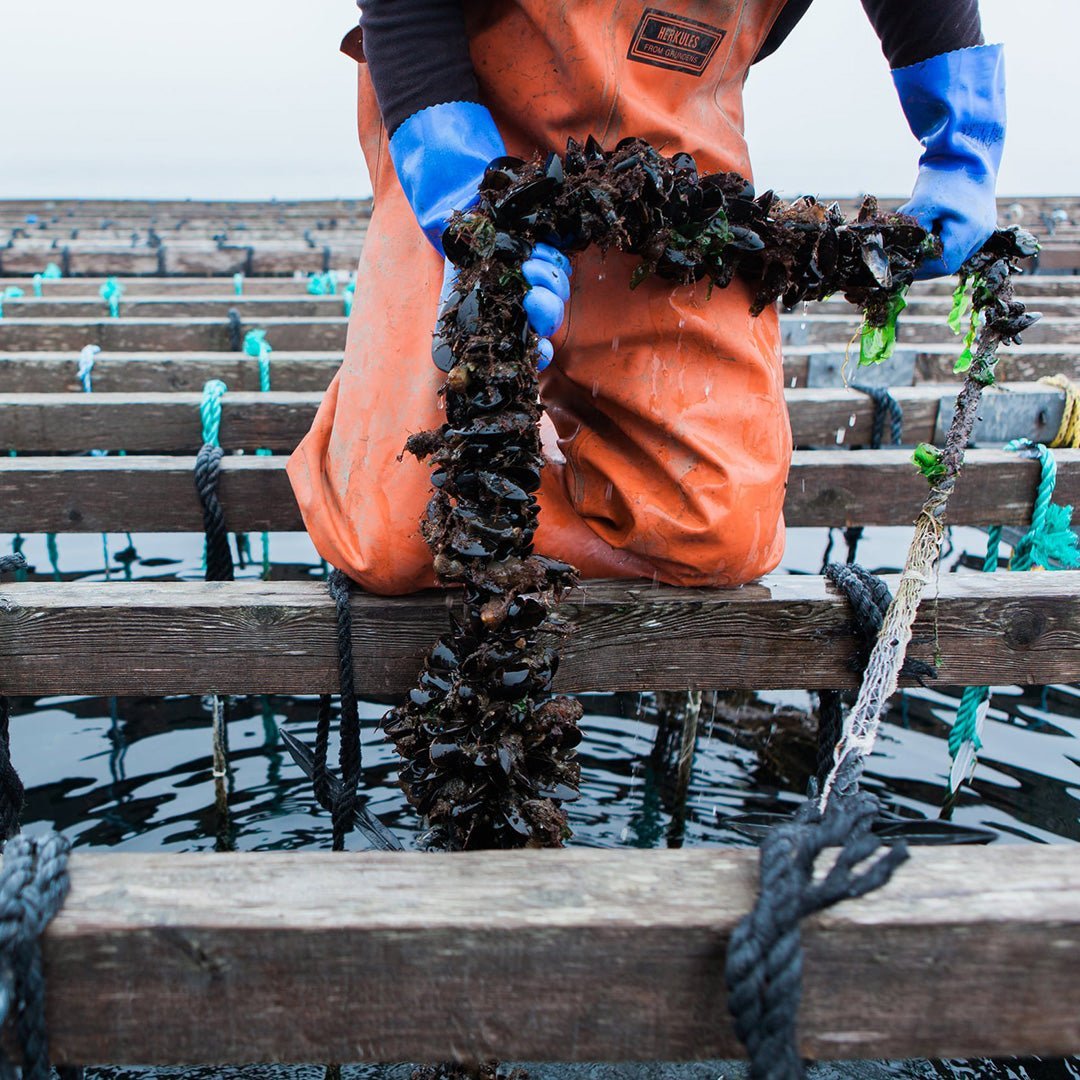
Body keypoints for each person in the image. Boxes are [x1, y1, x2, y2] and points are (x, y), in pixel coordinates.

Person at [288, 0, 1004, 595]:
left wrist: (960, 144)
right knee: (399, 538)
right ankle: (382, 412)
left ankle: (539, 429)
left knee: (717, 530)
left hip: (672, 156)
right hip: (460, 103)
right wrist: (467, 209)